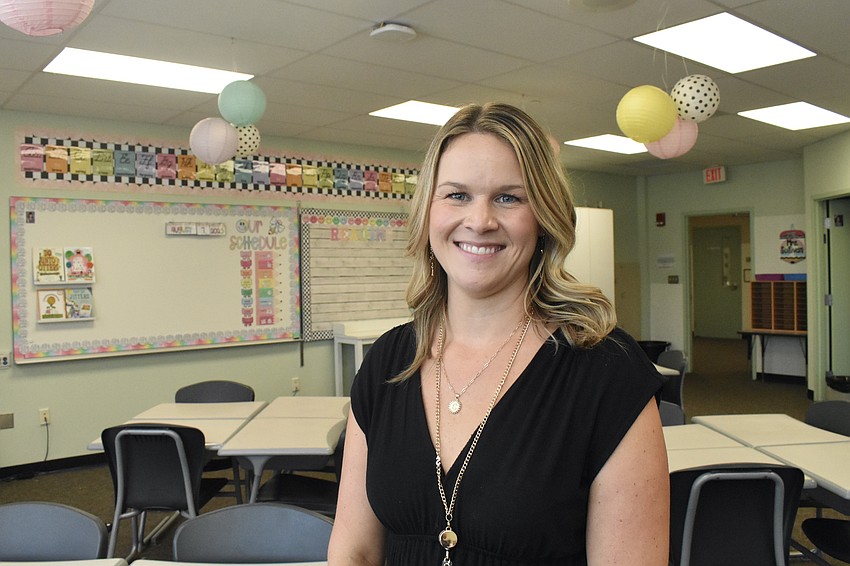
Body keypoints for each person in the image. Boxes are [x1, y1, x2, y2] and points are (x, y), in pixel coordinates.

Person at [328, 102, 669, 566]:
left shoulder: (606, 370)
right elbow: (355, 551)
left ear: (544, 216)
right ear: (428, 210)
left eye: (509, 197)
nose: (480, 220)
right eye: (456, 195)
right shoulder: (388, 361)